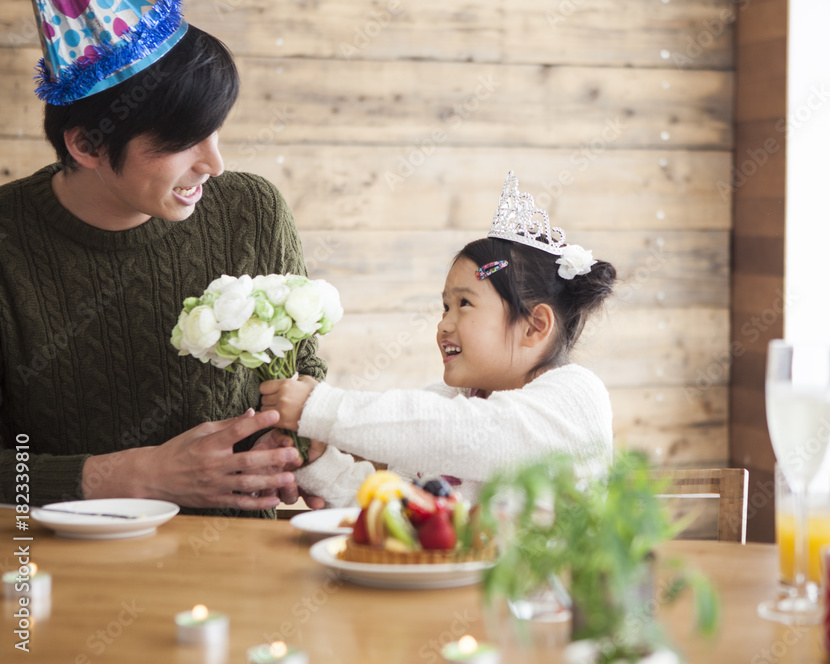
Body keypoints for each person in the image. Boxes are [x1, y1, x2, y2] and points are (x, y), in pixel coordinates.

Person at [0, 0, 324, 515]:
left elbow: (302, 369)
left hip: (240, 563)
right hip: (63, 571)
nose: (214, 164)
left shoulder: (251, 211)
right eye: (182, 141)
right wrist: (139, 476)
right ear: (86, 144)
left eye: (214, 129)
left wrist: (296, 437)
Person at [260, 173, 616, 505]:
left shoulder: (577, 396)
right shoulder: (444, 400)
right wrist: (322, 465)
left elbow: (472, 434)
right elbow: (404, 512)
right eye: (445, 307)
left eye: (464, 304)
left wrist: (321, 409)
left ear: (534, 326)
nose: (444, 324)